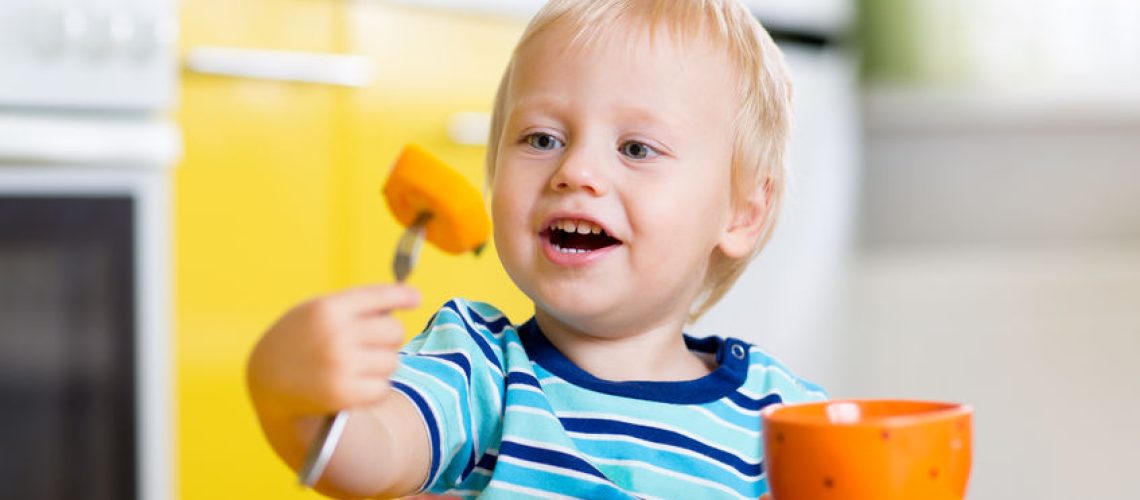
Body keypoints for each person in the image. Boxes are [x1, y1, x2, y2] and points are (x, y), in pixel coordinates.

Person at [248, 0, 827, 498]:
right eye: (542, 139)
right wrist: (293, 399)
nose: (575, 171)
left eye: (636, 148)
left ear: (742, 212)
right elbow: (371, 453)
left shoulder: (782, 419)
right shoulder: (478, 371)